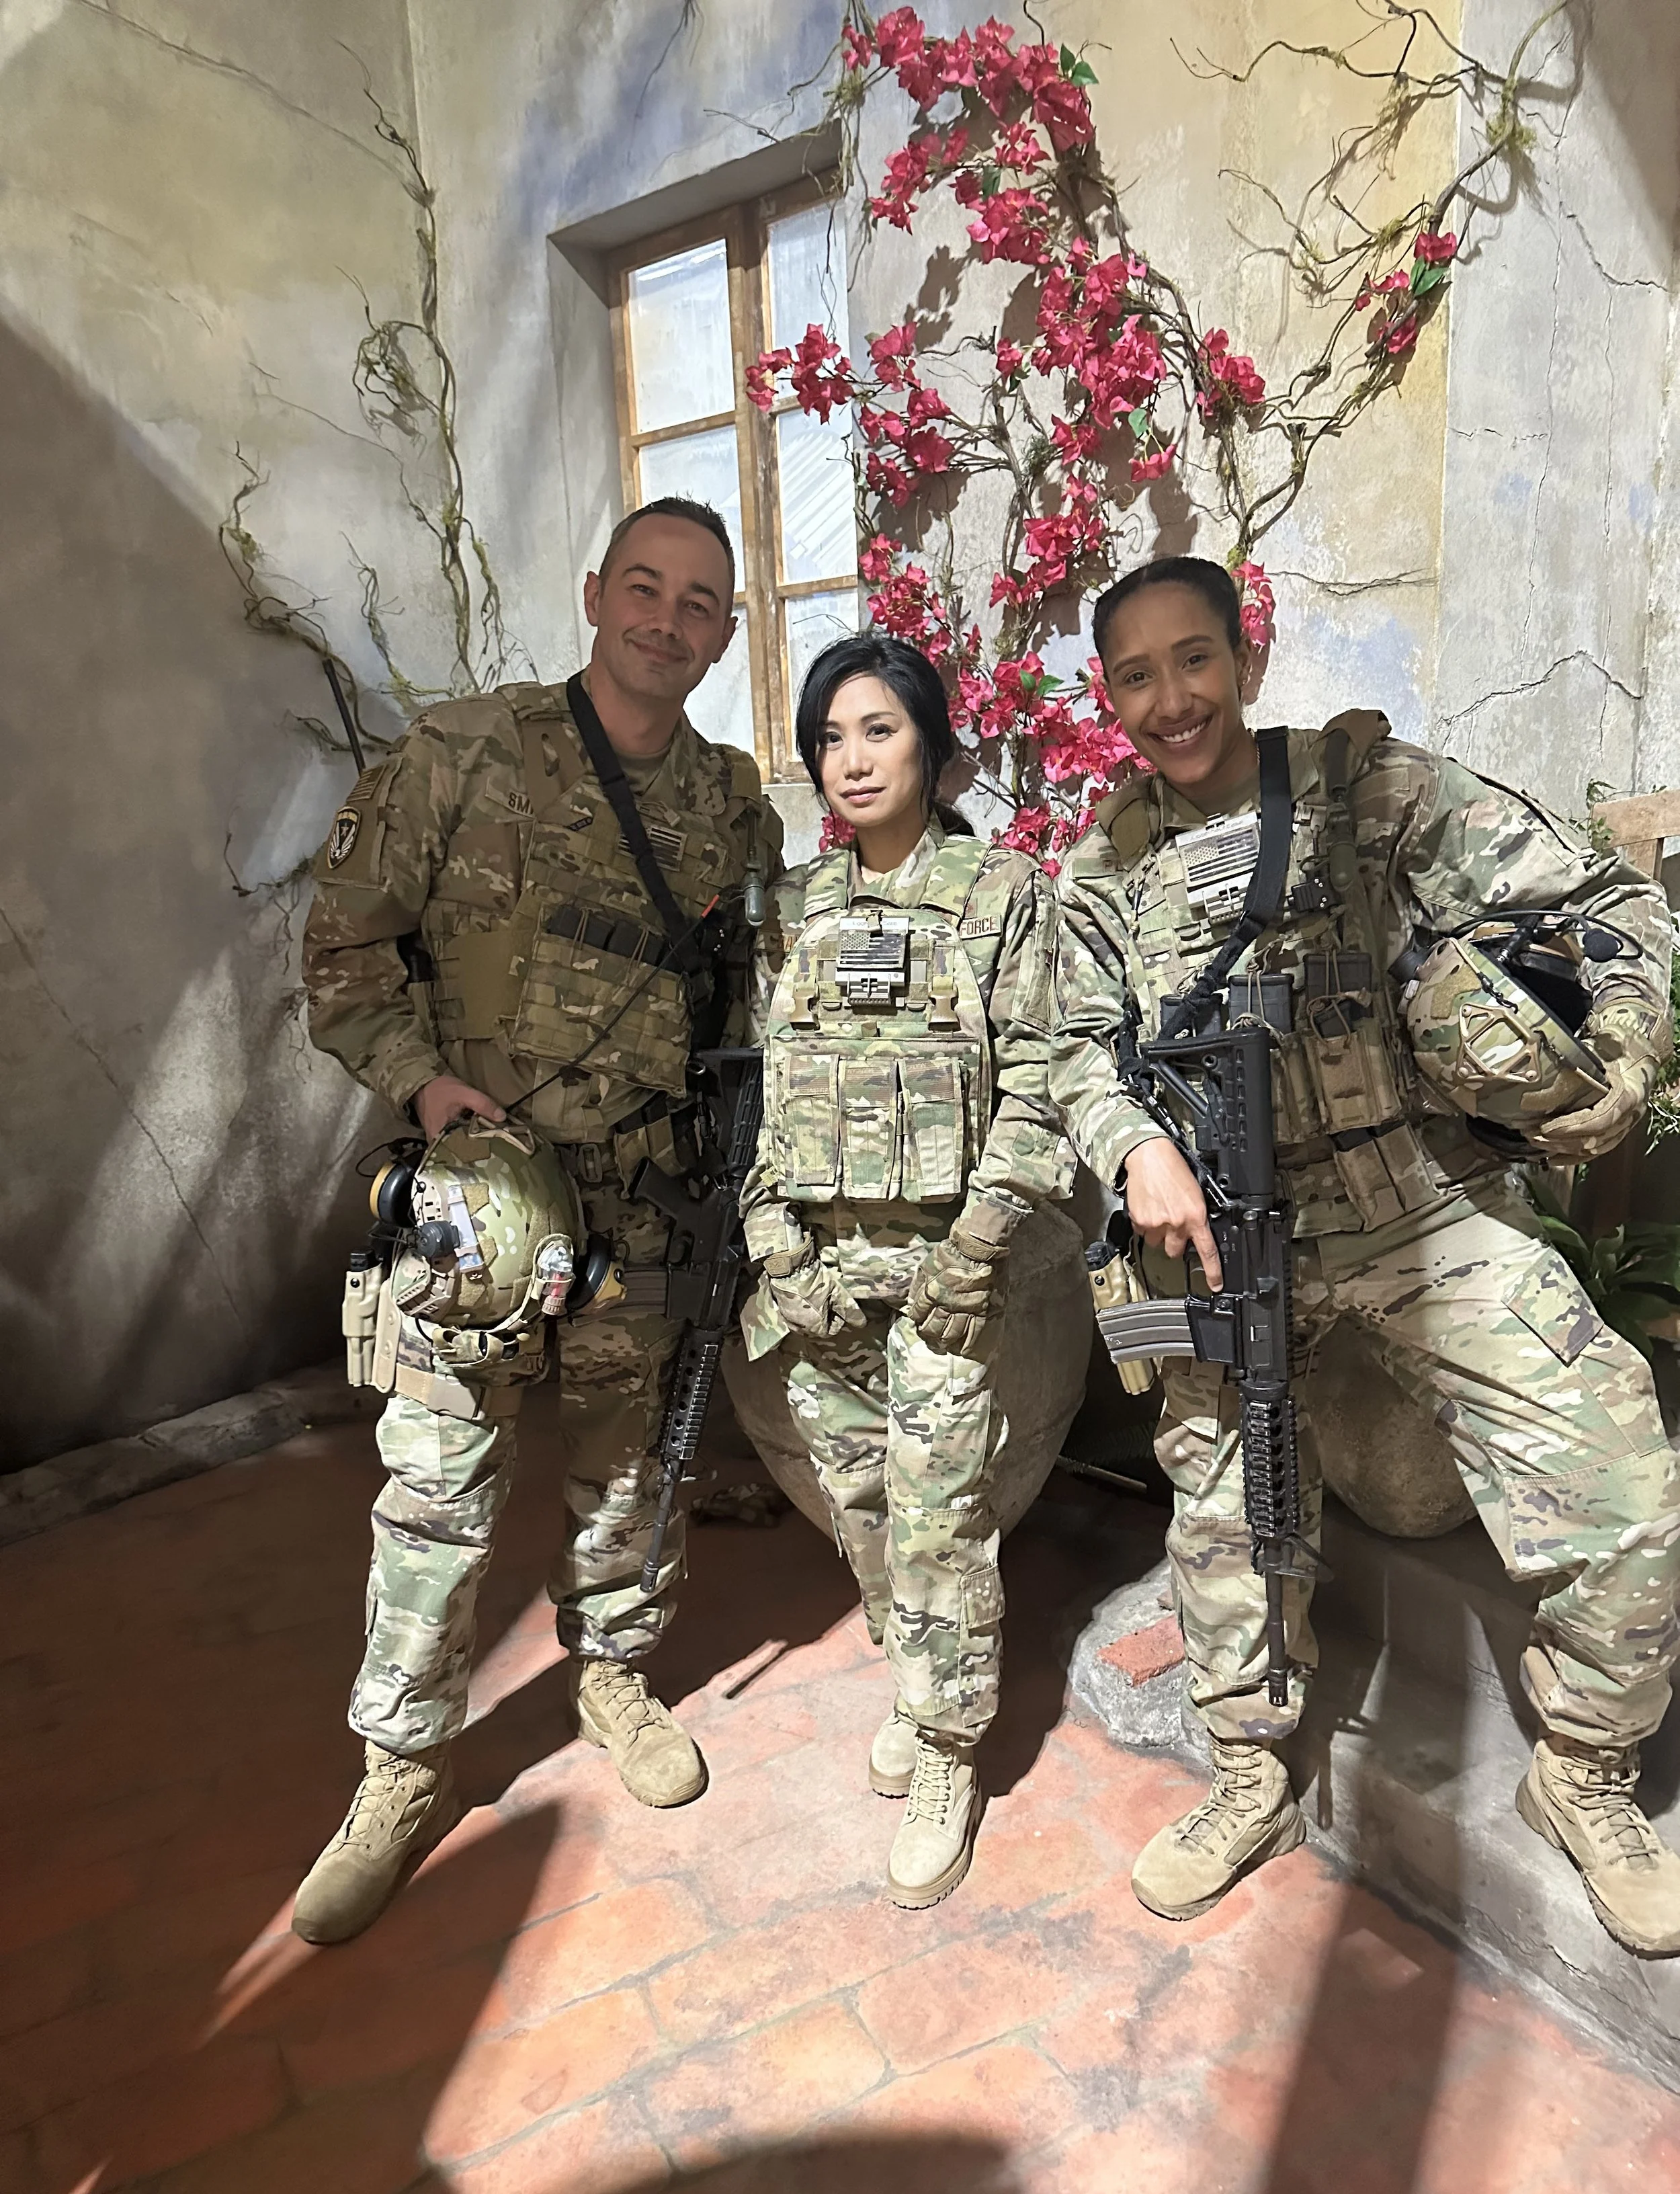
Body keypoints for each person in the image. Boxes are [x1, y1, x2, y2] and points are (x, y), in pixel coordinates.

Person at [1051, 553, 1680, 1957]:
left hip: (1417, 1211)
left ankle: (1583, 1771)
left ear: (1246, 660)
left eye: (1193, 659)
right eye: (1136, 676)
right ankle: (1248, 1778)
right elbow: (1070, 1048)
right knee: (1223, 1512)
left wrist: (1618, 1058)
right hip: (1230, 1240)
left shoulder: (1372, 796)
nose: (1171, 699)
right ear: (1110, 698)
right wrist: (1134, 1146)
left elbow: (1611, 909)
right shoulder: (1102, 872)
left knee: (1615, 1463)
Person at [294, 496, 782, 1943]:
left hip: (647, 1200)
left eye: (699, 602)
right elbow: (342, 949)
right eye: (644, 586)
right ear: (593, 592)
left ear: (725, 635)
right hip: (482, 1213)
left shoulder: (731, 804)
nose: (665, 620)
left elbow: (748, 995)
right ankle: (401, 1767)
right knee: (437, 1486)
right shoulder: (462, 755)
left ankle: (614, 1673)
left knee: (630, 1469)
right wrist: (423, 1083)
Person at [739, 633, 1073, 1907]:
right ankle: (910, 1670)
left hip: (949, 1276)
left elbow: (1040, 1083)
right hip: (822, 1276)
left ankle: (946, 1749)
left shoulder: (1000, 896)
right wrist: (779, 1251)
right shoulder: (791, 911)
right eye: (831, 737)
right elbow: (761, 1100)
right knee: (861, 1500)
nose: (854, 759)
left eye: (880, 730)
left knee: (940, 1517)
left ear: (932, 746)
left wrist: (977, 1251)